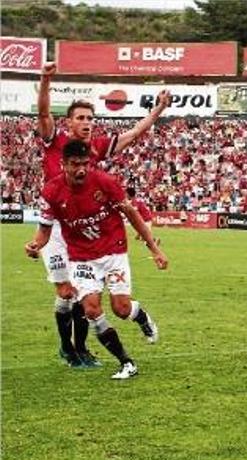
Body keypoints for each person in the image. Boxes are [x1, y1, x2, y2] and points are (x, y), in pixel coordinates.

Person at [36, 61, 169, 367]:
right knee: (67, 291)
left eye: (91, 119)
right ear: (68, 122)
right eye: (81, 118)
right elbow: (43, 114)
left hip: (84, 231)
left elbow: (134, 133)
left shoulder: (96, 148)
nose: (87, 123)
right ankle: (66, 347)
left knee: (85, 294)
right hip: (56, 225)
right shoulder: (54, 139)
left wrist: (159, 110)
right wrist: (45, 78)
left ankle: (81, 348)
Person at [26, 140, 167, 380]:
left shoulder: (105, 182)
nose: (81, 169)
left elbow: (131, 214)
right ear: (63, 165)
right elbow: (45, 229)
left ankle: (142, 318)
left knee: (121, 309)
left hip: (113, 252)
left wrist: (154, 248)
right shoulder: (51, 192)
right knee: (90, 310)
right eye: (74, 165)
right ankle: (126, 362)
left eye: (85, 164)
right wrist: (36, 244)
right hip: (81, 258)